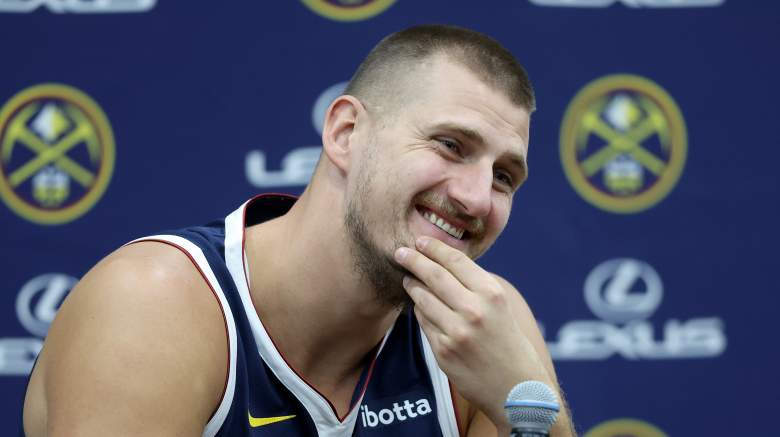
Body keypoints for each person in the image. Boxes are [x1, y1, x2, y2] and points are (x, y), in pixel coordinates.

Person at [22, 24, 575, 436]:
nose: (476, 197)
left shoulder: (485, 327)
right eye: (450, 145)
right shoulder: (156, 305)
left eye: (504, 177)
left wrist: (524, 403)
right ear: (345, 133)